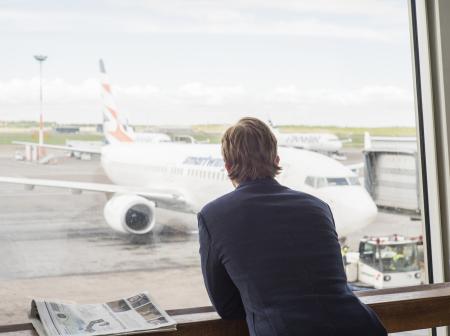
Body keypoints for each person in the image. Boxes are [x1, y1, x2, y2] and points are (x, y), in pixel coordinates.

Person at [198, 117, 387, 336]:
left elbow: (227, 308)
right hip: (360, 327)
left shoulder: (213, 216)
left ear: (228, 166)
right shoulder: (317, 207)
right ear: (276, 159)